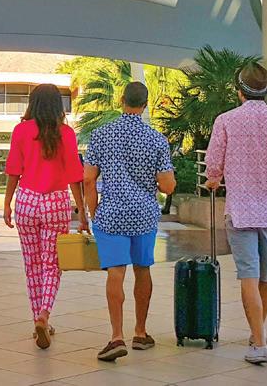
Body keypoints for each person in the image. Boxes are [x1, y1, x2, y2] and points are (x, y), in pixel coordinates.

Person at [204, 63, 267, 365]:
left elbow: (213, 166)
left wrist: (213, 180)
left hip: (240, 212)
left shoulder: (226, 121)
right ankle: (258, 332)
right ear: (266, 91)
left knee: (248, 276)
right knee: (266, 277)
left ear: (239, 92)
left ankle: (259, 343)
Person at [83, 81, 176, 363]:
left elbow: (88, 179)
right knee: (142, 269)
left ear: (121, 100)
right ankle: (140, 332)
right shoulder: (156, 139)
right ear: (145, 104)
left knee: (116, 272)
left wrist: (94, 212)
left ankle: (116, 336)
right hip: (144, 216)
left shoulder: (101, 135)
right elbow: (167, 186)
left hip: (111, 214)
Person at [4, 83, 87, 349]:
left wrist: (7, 204)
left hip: (27, 201)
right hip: (55, 203)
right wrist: (82, 213)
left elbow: (14, 171)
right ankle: (44, 314)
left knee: (32, 265)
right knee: (52, 264)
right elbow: (74, 175)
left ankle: (37, 320)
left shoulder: (21, 131)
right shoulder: (66, 133)